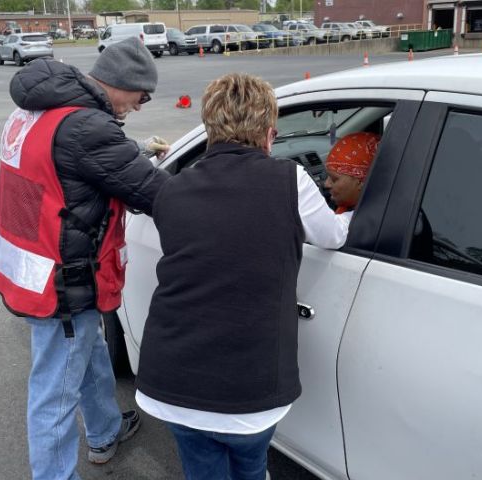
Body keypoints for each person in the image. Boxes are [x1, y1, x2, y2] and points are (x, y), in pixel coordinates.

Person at [134, 73, 350, 480]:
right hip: (251, 392)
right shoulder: (291, 180)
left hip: (172, 382)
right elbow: (334, 236)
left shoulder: (172, 189)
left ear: (210, 130)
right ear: (270, 134)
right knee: (250, 466)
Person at [0, 37, 170, 480]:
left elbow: (68, 159)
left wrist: (135, 149)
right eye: (141, 96)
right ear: (119, 83)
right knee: (55, 391)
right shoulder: (88, 128)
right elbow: (155, 193)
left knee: (87, 355)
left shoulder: (34, 109)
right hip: (62, 279)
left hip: (30, 264)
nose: (141, 106)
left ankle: (105, 431)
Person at [324, 131, 381, 218]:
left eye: (334, 179)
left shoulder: (365, 224)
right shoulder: (347, 208)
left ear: (361, 182)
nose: (326, 184)